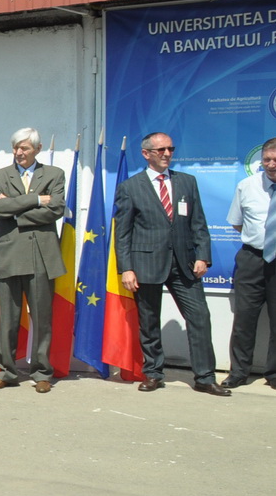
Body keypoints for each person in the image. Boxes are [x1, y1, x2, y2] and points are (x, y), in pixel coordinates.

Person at [115, 132, 228, 396]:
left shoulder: (186, 182)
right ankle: (153, 373)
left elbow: (198, 223)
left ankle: (205, 377)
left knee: (200, 317)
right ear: (146, 154)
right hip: (146, 263)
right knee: (149, 321)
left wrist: (203, 256)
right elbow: (123, 233)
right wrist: (126, 268)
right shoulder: (130, 187)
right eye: (161, 150)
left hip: (184, 265)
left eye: (170, 149)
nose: (167, 154)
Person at [0, 128, 66, 393]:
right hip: (10, 254)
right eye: (16, 148)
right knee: (8, 318)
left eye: (25, 148)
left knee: (42, 318)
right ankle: (7, 372)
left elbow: (55, 209)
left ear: (38, 149)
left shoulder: (54, 175)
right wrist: (36, 199)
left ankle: (42, 372)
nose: (19, 152)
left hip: (41, 255)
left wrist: (16, 211)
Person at [225, 137, 276, 387]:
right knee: (244, 320)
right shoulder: (247, 186)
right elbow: (237, 222)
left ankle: (274, 374)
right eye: (267, 159)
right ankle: (238, 372)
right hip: (252, 259)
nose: (271, 164)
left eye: (275, 160)